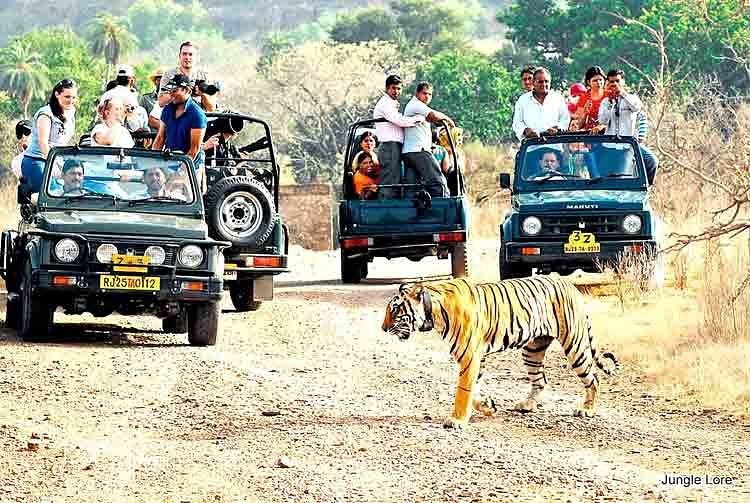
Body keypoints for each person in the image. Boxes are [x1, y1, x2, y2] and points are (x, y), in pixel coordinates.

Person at [597, 69, 658, 184]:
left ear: (623, 82)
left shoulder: (631, 98)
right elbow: (602, 120)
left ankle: (647, 187)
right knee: (619, 178)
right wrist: (611, 102)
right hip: (611, 145)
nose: (614, 84)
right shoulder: (605, 101)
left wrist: (621, 93)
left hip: (628, 144)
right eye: (611, 82)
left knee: (651, 161)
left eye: (617, 81)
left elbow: (636, 107)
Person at [152, 74, 208, 191]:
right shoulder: (168, 109)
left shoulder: (197, 114)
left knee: (184, 199)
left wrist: (179, 174)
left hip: (190, 166)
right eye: (170, 90)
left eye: (175, 90)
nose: (171, 94)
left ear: (187, 90)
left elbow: (194, 150)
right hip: (170, 162)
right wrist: (153, 163)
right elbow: (160, 138)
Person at [372, 75, 424, 199]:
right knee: (389, 181)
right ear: (386, 89)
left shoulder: (393, 104)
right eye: (393, 88)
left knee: (396, 179)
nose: (396, 92)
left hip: (395, 146)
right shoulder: (385, 104)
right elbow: (399, 121)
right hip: (389, 146)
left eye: (399, 89)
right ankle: (386, 210)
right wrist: (417, 119)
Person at [22, 79, 78, 193]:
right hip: (37, 161)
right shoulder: (46, 114)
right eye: (67, 97)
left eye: (73, 97)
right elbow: (43, 143)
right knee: (55, 194)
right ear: (57, 94)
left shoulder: (71, 112)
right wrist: (55, 166)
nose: (71, 101)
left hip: (56, 160)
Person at [402, 81, 455, 198]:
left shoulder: (418, 107)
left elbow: (431, 118)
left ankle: (411, 214)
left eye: (430, 94)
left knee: (413, 186)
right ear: (417, 93)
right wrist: (449, 119)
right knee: (438, 182)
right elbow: (433, 116)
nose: (427, 97)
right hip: (418, 151)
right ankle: (444, 207)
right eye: (424, 93)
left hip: (409, 152)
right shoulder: (415, 104)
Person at [512, 67, 570, 141]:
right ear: (533, 82)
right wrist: (526, 130)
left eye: (546, 81)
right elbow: (517, 123)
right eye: (540, 81)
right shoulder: (523, 100)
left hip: (554, 145)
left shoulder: (558, 99)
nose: (544, 84)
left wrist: (557, 128)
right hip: (531, 146)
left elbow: (565, 120)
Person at [157, 41, 215, 112]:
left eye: (190, 54)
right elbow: (160, 102)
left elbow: (212, 108)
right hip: (175, 118)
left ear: (196, 57)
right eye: (184, 54)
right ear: (179, 56)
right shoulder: (169, 75)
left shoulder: (204, 76)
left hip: (199, 117)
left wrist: (202, 94)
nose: (187, 57)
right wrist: (176, 92)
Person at [571, 66, 607, 132]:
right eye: (595, 81)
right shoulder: (584, 98)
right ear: (588, 82)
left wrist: (602, 126)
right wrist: (585, 113)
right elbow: (579, 125)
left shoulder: (609, 95)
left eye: (600, 80)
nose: (599, 83)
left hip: (608, 135)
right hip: (589, 136)